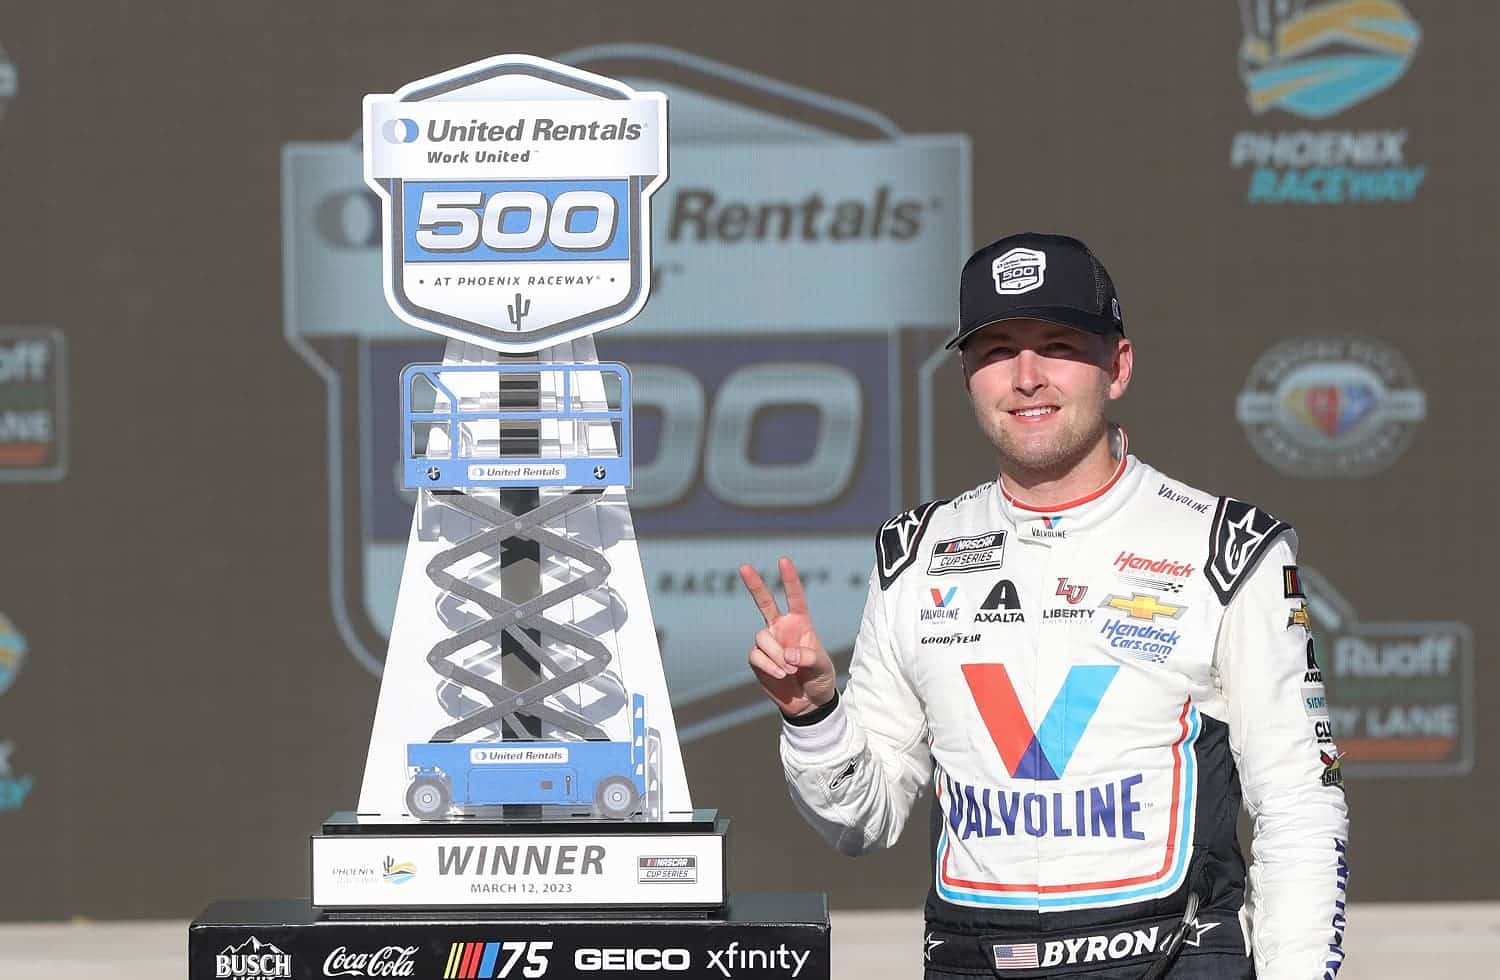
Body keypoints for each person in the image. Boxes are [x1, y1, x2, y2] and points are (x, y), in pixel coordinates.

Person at [739, 233, 1349, 979]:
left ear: (1116, 367)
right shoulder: (914, 553)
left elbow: (1298, 809)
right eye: (997, 351)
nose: (1027, 377)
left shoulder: (1228, 548)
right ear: (967, 377)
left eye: (1057, 345)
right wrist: (813, 716)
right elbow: (862, 818)